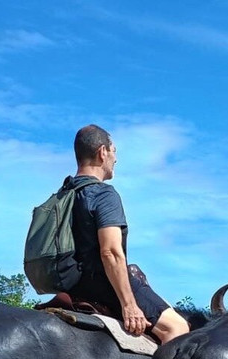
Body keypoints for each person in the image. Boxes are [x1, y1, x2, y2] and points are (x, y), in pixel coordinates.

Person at [68, 124, 190, 344]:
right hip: (101, 283)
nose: (115, 159)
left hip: (71, 285)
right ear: (102, 152)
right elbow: (111, 252)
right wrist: (129, 305)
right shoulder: (103, 194)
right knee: (178, 328)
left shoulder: (64, 195)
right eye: (114, 151)